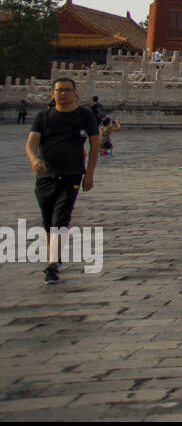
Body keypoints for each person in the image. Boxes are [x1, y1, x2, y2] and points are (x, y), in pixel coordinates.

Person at [25, 77, 99, 284]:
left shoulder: (85, 116)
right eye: (59, 90)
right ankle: (54, 257)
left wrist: (89, 173)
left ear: (75, 93)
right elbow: (31, 143)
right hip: (46, 176)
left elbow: (94, 144)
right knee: (48, 220)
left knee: (60, 218)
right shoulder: (43, 117)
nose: (63, 94)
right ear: (53, 93)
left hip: (72, 174)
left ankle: (51, 265)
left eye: (68, 90)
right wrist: (34, 160)